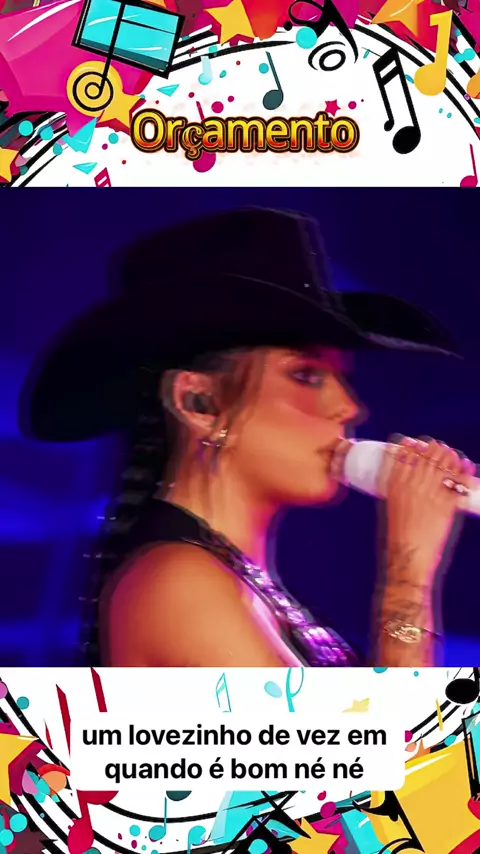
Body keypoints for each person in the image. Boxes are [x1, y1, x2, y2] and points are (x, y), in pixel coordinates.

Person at [20, 206, 473, 669]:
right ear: (199, 404)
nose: (350, 407)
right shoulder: (178, 586)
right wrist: (407, 573)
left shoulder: (236, 580)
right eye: (306, 375)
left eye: (340, 378)